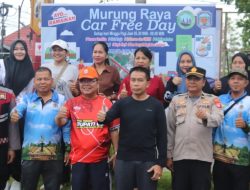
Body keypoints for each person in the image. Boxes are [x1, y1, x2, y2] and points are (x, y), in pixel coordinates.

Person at [98, 66, 167, 190]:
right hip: (124, 159)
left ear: (148, 83)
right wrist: (101, 117)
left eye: (140, 80)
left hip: (148, 160)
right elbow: (106, 119)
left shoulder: (156, 106)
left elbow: (162, 136)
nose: (136, 83)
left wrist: (160, 164)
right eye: (133, 80)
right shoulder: (122, 103)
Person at [55, 66, 119, 190]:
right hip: (79, 159)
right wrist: (58, 117)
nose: (86, 84)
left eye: (90, 80)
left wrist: (116, 152)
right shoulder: (72, 103)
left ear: (97, 82)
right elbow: (61, 123)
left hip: (100, 159)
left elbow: (114, 129)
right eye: (83, 81)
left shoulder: (106, 103)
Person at [10, 67, 70, 190]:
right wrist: (14, 114)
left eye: (46, 79)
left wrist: (69, 148)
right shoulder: (27, 99)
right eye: (39, 79)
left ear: (52, 81)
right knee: (27, 186)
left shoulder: (61, 99)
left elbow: (66, 126)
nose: (42, 82)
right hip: (30, 155)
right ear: (35, 81)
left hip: (54, 155)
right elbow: (17, 110)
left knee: (53, 187)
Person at [166, 66, 223, 190]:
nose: (192, 81)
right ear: (185, 81)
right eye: (189, 78)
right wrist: (169, 154)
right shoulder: (176, 100)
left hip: (202, 158)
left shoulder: (212, 99)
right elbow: (170, 129)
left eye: (196, 79)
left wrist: (206, 117)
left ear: (203, 82)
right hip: (180, 157)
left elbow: (218, 119)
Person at [1, 39, 35, 190]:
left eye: (22, 49)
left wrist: (18, 107)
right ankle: (5, 176)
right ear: (12, 50)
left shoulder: (30, 69)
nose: (19, 51)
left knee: (18, 145)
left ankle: (16, 178)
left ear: (26, 51)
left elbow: (30, 93)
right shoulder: (4, 65)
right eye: (16, 49)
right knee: (5, 143)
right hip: (3, 110)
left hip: (21, 113)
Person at [213, 68, 250, 190]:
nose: (236, 81)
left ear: (246, 83)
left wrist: (246, 126)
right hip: (220, 158)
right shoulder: (219, 99)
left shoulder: (249, 102)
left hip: (241, 162)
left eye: (240, 79)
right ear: (228, 82)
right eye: (233, 78)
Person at [0, 85, 20, 190]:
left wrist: (12, 147)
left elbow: (13, 124)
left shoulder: (8, 93)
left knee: (2, 175)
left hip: (2, 146)